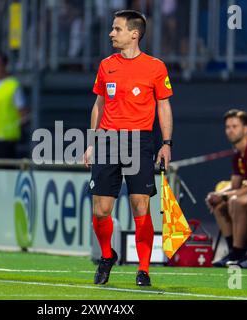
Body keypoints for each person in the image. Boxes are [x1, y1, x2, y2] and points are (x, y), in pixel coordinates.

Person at [83, 10, 174, 286]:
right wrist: (91, 142)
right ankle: (107, 256)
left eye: (117, 29)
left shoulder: (156, 67)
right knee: (100, 210)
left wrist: (166, 144)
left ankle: (143, 269)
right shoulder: (106, 65)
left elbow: (163, 105)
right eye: (112, 29)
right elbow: (99, 105)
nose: (111, 33)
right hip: (108, 140)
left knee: (140, 206)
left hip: (140, 142)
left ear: (134, 34)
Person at [206, 110, 247, 268]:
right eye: (228, 127)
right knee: (218, 204)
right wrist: (218, 195)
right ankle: (233, 251)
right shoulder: (237, 154)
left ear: (246, 128)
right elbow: (235, 185)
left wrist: (225, 196)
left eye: (235, 126)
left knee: (234, 201)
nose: (230, 130)